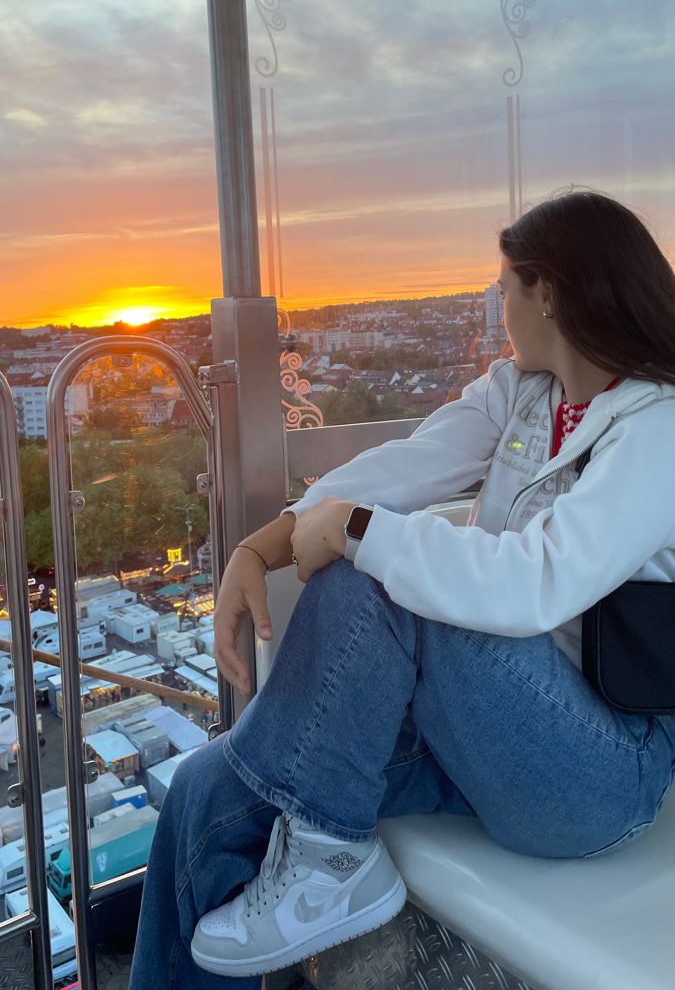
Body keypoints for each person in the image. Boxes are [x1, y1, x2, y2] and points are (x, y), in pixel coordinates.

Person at [129, 190, 675, 990]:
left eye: (504, 290)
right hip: (481, 726)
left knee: (373, 568)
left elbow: (535, 583)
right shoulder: (524, 392)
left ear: (546, 292)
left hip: (597, 772)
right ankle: (323, 852)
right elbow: (402, 470)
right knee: (207, 798)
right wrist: (261, 546)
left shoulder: (656, 429)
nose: (498, 310)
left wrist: (353, 531)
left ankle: (327, 852)